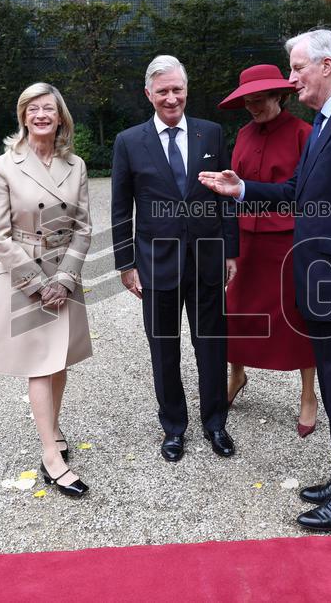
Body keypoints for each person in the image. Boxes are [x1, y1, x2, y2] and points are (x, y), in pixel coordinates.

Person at [199, 29, 331, 531]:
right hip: (322, 285)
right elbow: (296, 191)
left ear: (326, 66)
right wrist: (243, 187)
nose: (291, 79)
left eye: (296, 68)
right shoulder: (326, 123)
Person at [111, 55, 240, 462]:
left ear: (187, 90)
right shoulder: (129, 142)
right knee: (164, 348)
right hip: (155, 265)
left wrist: (231, 251)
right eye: (163, 91)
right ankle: (173, 427)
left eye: (177, 89)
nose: (171, 98)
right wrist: (126, 264)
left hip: (207, 261)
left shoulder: (212, 134)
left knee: (212, 346)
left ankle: (215, 423)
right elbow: (120, 209)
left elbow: (227, 196)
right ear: (149, 94)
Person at [0, 82, 92, 498]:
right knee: (39, 364)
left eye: (50, 109)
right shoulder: (3, 166)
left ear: (60, 118)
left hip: (64, 275)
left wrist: (65, 278)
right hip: (25, 278)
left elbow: (83, 228)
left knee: (58, 360)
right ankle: (50, 455)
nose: (42, 115)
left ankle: (54, 430)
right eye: (34, 109)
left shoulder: (75, 165)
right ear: (23, 116)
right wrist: (40, 284)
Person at [217, 64, 318, 436]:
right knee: (238, 312)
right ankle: (236, 375)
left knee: (296, 318)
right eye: (247, 102)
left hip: (287, 241)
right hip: (245, 239)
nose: (252, 108)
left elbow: (308, 193)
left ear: (280, 96)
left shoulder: (304, 135)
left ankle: (309, 394)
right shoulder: (242, 134)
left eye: (259, 101)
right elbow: (233, 189)